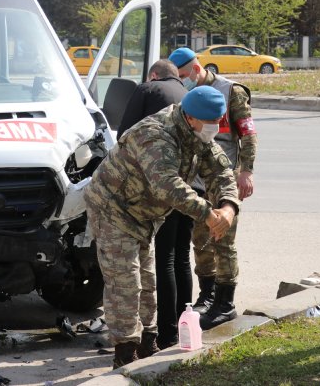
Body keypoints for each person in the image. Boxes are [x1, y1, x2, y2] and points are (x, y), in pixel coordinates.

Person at [85, 86, 239, 368]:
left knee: (146, 279)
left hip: (143, 213)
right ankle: (125, 353)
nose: (215, 128)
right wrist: (208, 213)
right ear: (191, 118)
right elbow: (167, 185)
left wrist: (228, 206)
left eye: (219, 122)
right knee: (125, 282)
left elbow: (221, 169)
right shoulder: (156, 134)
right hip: (113, 208)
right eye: (211, 122)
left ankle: (147, 341)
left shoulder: (195, 133)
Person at [168, 46, 257, 330]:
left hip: (224, 174)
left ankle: (225, 302)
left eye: (183, 76)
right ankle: (207, 296)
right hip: (196, 176)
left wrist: (246, 171)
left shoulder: (231, 91)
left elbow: (248, 133)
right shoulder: (187, 94)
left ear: (195, 69)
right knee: (200, 240)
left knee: (223, 240)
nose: (182, 82)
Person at [117, 59, 192, 350]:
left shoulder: (147, 90)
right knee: (183, 257)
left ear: (153, 75)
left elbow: (125, 135)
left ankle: (166, 333)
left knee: (165, 259)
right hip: (191, 185)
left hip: (163, 186)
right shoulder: (188, 94)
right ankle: (185, 326)